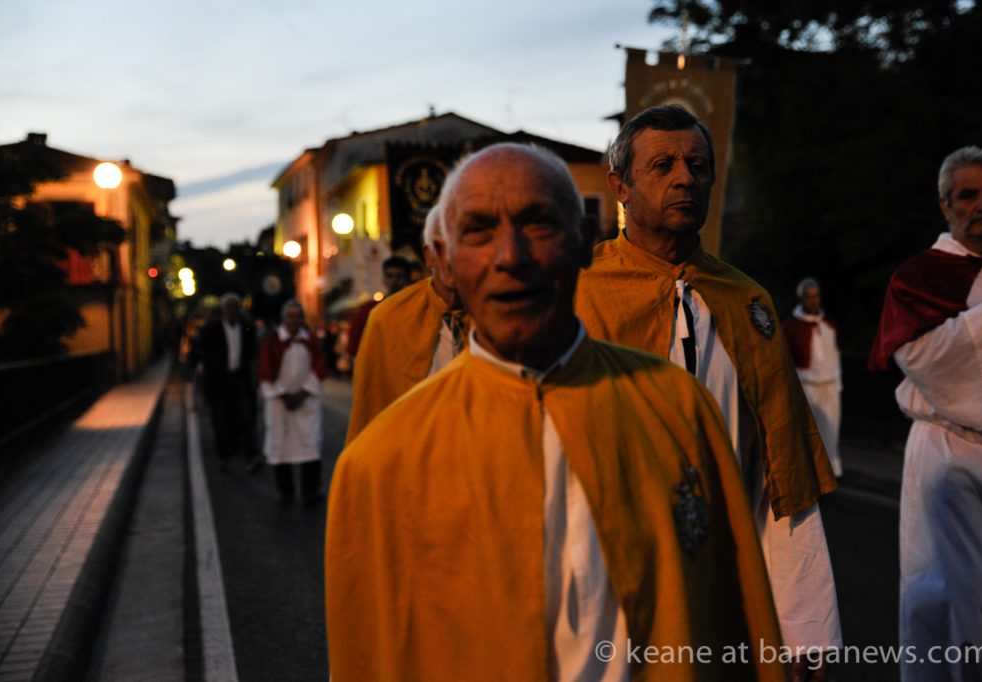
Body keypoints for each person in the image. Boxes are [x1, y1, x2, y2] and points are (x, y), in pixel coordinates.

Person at [325, 142, 784, 681]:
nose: (511, 256)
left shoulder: (679, 409)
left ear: (584, 242)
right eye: (478, 231)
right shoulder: (379, 463)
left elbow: (731, 617)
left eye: (539, 223)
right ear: (444, 262)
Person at [574, 104, 841, 677]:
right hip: (611, 583)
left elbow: (782, 476)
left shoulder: (746, 301)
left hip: (726, 576)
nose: (684, 179)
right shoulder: (577, 297)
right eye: (662, 165)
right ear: (620, 187)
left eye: (697, 165)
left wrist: (806, 628)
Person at [869, 146, 982, 681]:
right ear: (945, 205)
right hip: (949, 454)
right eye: (968, 195)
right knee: (955, 601)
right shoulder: (921, 277)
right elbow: (918, 356)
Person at [344, 205, 468, 442]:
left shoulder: (491, 313)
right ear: (428, 255)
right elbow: (372, 402)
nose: (452, 258)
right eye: (441, 248)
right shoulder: (384, 318)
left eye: (462, 245)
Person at [258, 299, 327, 504]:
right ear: (283, 318)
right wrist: (283, 395)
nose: (295, 320)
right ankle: (286, 491)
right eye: (290, 316)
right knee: (281, 446)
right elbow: (265, 371)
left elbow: (319, 368)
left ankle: (310, 491)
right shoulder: (272, 341)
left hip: (306, 402)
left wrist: (303, 393)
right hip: (280, 403)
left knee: (310, 445)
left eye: (298, 316)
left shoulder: (311, 341)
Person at [783, 278, 843, 477]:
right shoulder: (791, 327)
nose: (814, 301)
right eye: (809, 297)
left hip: (830, 385)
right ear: (802, 299)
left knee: (831, 429)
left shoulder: (829, 324)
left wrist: (838, 384)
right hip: (806, 384)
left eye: (816, 296)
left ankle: (831, 471)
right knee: (807, 432)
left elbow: (835, 355)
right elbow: (786, 360)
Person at [197, 293, 259, 473]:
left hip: (239, 378)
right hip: (219, 380)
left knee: (245, 417)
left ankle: (250, 454)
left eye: (234, 307)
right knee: (221, 419)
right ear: (223, 309)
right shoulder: (212, 328)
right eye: (228, 307)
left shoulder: (246, 327)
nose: (231, 311)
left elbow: (252, 350)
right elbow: (201, 349)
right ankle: (224, 456)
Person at [345, 255, 412, 359]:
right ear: (383, 279)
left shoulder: (414, 309)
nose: (394, 281)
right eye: (390, 276)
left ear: (406, 279)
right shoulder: (369, 310)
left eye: (399, 276)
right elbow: (354, 345)